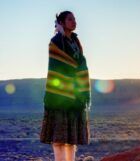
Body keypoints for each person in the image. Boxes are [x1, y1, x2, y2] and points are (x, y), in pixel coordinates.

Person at [40, 11, 91, 161]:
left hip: (76, 93)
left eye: (75, 19)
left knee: (71, 137)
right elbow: (58, 65)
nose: (74, 21)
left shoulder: (76, 42)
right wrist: (75, 70)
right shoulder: (56, 42)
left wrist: (80, 88)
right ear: (61, 23)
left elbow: (81, 63)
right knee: (59, 136)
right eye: (70, 19)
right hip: (59, 95)